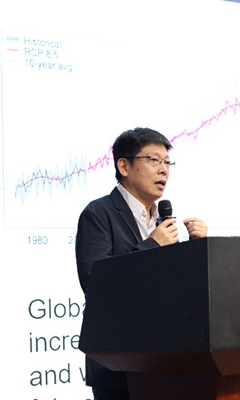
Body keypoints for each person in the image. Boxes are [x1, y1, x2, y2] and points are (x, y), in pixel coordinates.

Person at [75, 127, 208, 400]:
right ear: (124, 166)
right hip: (120, 368)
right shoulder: (98, 213)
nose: (163, 170)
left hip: (167, 363)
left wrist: (199, 248)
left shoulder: (163, 221)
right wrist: (152, 246)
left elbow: (176, 290)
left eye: (167, 162)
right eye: (153, 160)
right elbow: (96, 283)